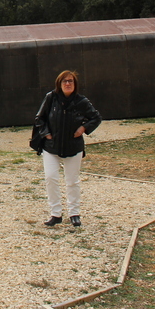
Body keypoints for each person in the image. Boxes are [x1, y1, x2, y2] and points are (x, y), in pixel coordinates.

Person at [34, 70, 102, 227]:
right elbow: (39, 118)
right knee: (51, 178)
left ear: (75, 84)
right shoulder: (51, 98)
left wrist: (83, 128)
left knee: (72, 181)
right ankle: (55, 213)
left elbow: (96, 117)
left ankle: (74, 213)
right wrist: (46, 134)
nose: (67, 83)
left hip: (73, 147)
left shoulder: (81, 101)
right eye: (64, 81)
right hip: (51, 148)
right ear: (59, 83)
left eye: (70, 81)